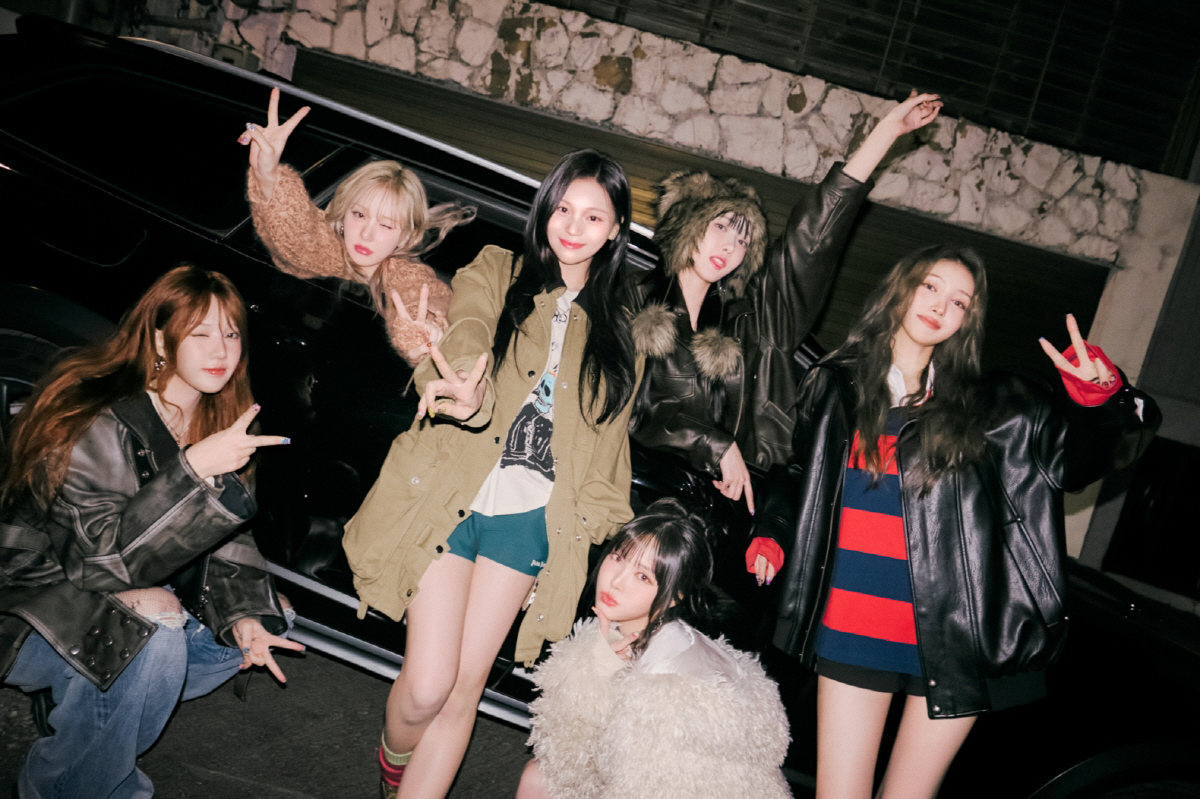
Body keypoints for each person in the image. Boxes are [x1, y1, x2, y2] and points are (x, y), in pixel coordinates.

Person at [748, 245, 1160, 799]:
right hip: (854, 622)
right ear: (901, 286)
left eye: (960, 301)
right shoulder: (835, 383)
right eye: (931, 286)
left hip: (953, 632)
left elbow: (1079, 463)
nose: (941, 306)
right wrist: (773, 529)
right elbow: (801, 468)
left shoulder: (994, 406)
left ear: (968, 321)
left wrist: (1100, 399)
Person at [341, 149, 640, 799]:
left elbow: (609, 453)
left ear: (615, 229)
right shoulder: (498, 269)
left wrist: (575, 544)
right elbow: (468, 328)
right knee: (426, 686)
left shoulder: (623, 334)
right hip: (454, 490)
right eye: (564, 208)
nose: (574, 227)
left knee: (462, 690)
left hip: (528, 520)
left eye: (594, 216)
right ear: (546, 208)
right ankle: (394, 766)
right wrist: (467, 388)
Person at [0, 265, 302, 799]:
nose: (221, 350)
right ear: (162, 340)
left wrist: (244, 615)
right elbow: (98, 565)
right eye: (200, 333)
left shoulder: (217, 420)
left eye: (231, 333)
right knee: (155, 625)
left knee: (267, 618)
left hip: (107, 597)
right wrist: (193, 471)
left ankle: (86, 710)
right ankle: (73, 784)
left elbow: (226, 540)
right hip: (32, 606)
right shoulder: (94, 415)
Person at [630, 90, 943, 515]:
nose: (731, 246)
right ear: (689, 224)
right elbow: (624, 408)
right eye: (722, 226)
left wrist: (887, 132)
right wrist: (714, 444)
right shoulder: (632, 299)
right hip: (637, 502)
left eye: (744, 240)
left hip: (727, 516)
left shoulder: (755, 324)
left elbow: (812, 240)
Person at [516, 498, 793, 799]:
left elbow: (650, 785)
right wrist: (597, 672)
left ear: (674, 597)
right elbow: (571, 756)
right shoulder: (621, 629)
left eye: (643, 576)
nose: (616, 582)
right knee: (537, 778)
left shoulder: (669, 679)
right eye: (618, 558)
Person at [237, 87, 475, 365]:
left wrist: (427, 330)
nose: (366, 234)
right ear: (342, 214)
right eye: (359, 215)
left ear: (405, 237)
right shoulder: (325, 248)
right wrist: (267, 174)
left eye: (386, 225)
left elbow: (421, 298)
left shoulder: (405, 275)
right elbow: (300, 234)